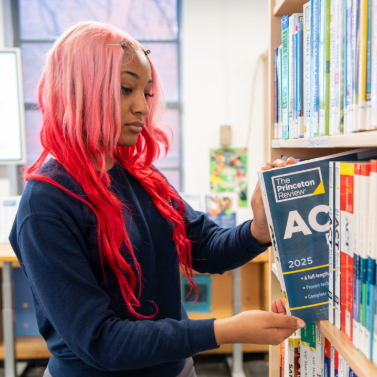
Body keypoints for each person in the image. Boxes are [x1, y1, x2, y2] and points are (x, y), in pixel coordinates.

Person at [9, 22, 303, 377]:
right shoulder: (46, 204)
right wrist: (226, 331)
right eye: (124, 89)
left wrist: (258, 228)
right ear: (80, 90)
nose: (142, 108)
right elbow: (101, 340)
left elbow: (205, 245)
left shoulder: (142, 178)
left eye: (146, 93)